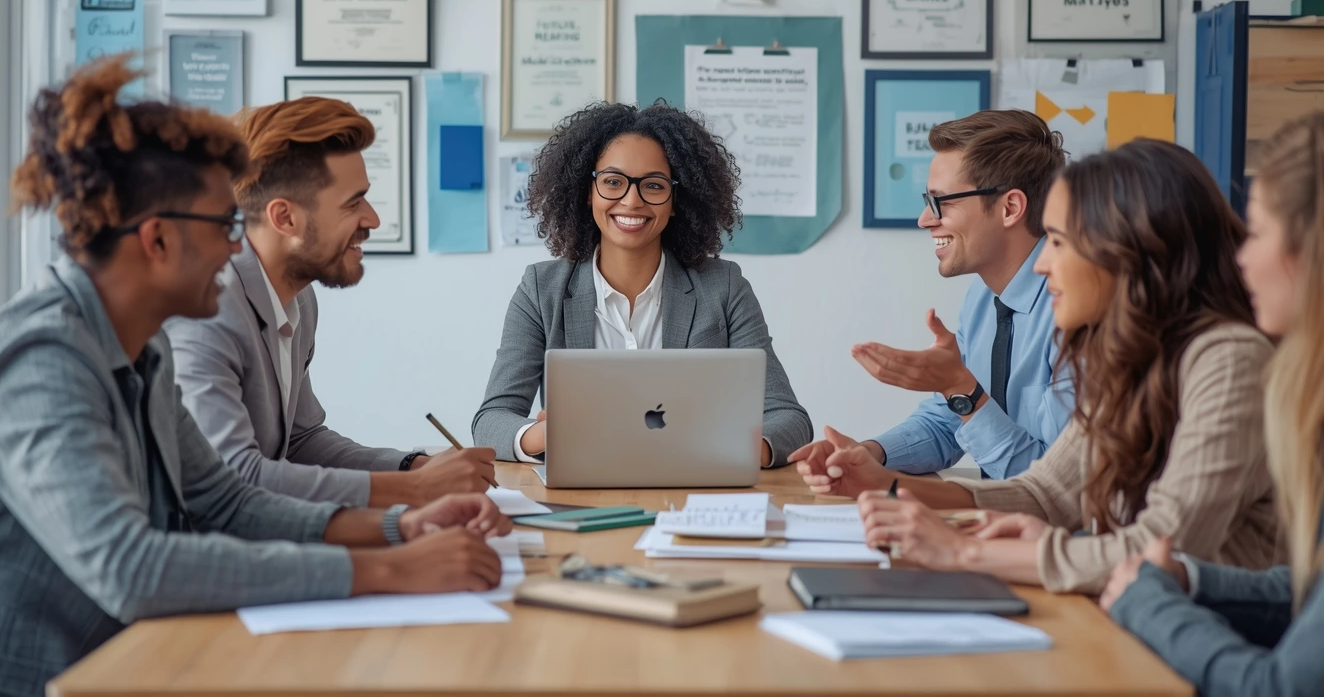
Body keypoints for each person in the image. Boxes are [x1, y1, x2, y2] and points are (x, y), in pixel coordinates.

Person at [0, 57, 511, 697]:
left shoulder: (139, 351)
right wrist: (388, 571)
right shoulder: (39, 363)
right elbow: (131, 567)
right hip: (28, 682)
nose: (234, 248)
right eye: (222, 227)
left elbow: (225, 502)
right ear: (157, 241)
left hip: (123, 659)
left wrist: (399, 529)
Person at [847, 139, 1281, 594]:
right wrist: (888, 486)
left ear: (1126, 250)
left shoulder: (1229, 359)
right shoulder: (1135, 356)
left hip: (1209, 639)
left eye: (1058, 241)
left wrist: (965, 552)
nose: (1042, 264)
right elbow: (1046, 493)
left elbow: (1162, 548)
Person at [165, 97, 496, 508]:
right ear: (284, 218)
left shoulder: (299, 298)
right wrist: (412, 491)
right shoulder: (207, 312)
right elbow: (235, 476)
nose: (373, 219)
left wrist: (414, 467)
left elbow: (301, 441)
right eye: (353, 202)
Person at [1099, 113, 1324, 695]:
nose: (1242, 255)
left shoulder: (1233, 358)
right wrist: (1188, 580)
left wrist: (1151, 601)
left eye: (1257, 231)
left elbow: (1279, 688)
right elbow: (1307, 592)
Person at [471, 101, 812, 468]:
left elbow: (789, 418)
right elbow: (491, 419)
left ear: (676, 200)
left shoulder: (724, 287)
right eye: (613, 182)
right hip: (582, 494)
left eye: (653, 185)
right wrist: (545, 434)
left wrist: (741, 447)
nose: (631, 201)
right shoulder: (541, 289)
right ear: (588, 192)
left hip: (696, 490)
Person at [791, 110, 1072, 481]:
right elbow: (950, 421)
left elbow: (1054, 487)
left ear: (1010, 208)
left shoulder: (1075, 311)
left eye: (942, 201)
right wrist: (869, 454)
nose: (925, 219)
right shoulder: (981, 300)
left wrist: (961, 388)